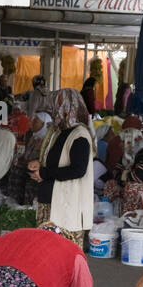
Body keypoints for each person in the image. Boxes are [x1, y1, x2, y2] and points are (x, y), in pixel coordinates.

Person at [27, 88, 93, 247]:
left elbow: (78, 170)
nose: (55, 111)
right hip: (50, 201)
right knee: (45, 250)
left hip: (66, 207)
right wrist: (40, 164)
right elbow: (55, 161)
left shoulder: (80, 135)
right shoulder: (59, 132)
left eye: (59, 106)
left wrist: (44, 173)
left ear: (70, 107)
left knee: (62, 252)